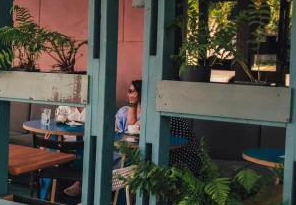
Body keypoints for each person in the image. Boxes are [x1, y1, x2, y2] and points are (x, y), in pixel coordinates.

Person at [62, 79, 201, 196]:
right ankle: (86, 185)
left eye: (131, 91)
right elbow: (117, 129)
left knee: (112, 155)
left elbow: (131, 126)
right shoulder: (123, 111)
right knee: (98, 151)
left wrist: (132, 104)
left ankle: (96, 189)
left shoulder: (153, 113)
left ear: (139, 94)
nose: (127, 94)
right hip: (132, 149)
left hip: (163, 155)